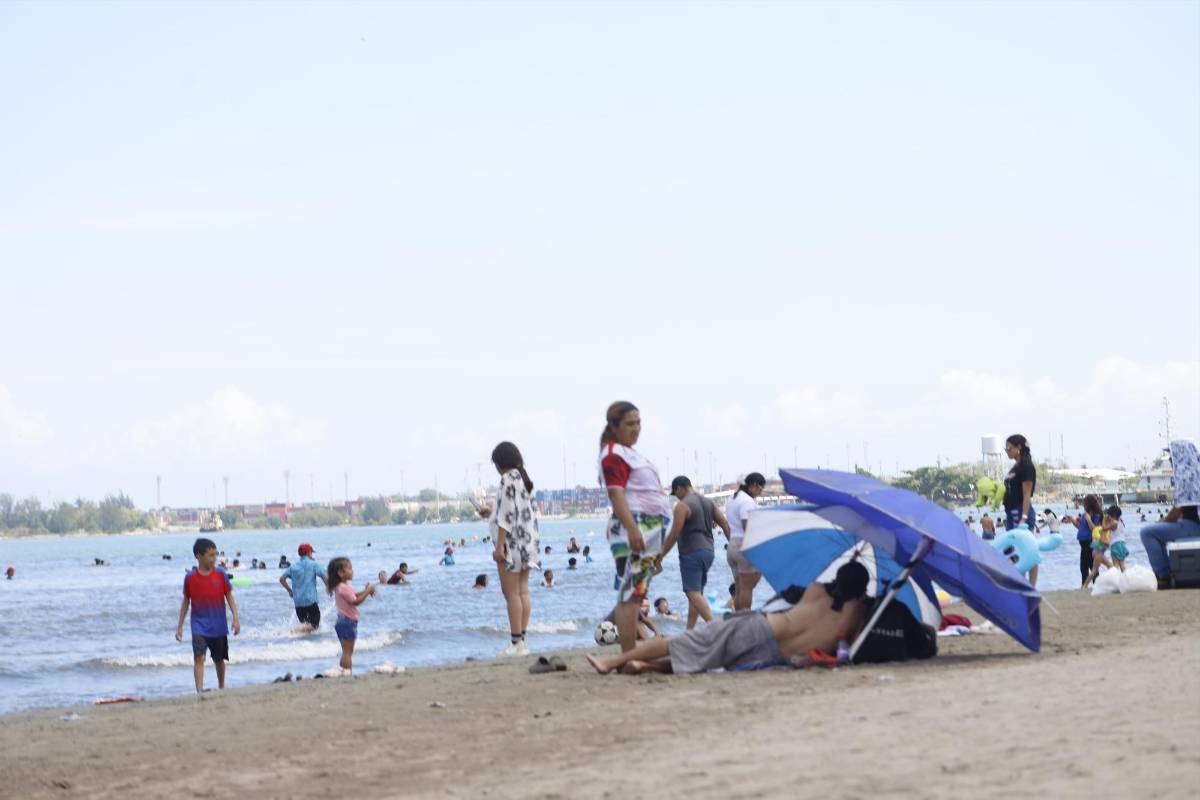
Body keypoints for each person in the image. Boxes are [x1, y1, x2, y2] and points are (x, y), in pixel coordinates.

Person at [586, 561, 870, 675]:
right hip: (777, 655)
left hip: (761, 628)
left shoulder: (819, 590)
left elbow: (809, 592)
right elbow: (846, 643)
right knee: (712, 659)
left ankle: (612, 661)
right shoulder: (855, 615)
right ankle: (644, 666)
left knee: (686, 642)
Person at [598, 401, 672, 653]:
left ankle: (630, 654)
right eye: (630, 423)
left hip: (650, 527)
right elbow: (616, 494)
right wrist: (632, 529)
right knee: (630, 593)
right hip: (635, 525)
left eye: (639, 422)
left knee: (638, 594)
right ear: (614, 426)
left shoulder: (631, 454)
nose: (636, 428)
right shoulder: (612, 454)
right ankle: (628, 655)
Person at [479, 441, 541, 658]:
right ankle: (522, 642)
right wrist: (491, 512)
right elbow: (516, 511)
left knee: (511, 594)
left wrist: (499, 547)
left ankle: (516, 643)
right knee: (523, 591)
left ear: (499, 463)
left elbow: (506, 516)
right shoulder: (523, 479)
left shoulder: (506, 479)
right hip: (528, 543)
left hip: (511, 544)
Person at [661, 475, 731, 629]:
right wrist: (732, 544)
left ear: (679, 488)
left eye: (675, 494)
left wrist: (660, 557)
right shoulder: (708, 502)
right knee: (696, 594)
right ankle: (689, 632)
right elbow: (725, 524)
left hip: (691, 551)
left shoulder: (682, 506)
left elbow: (673, 534)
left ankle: (715, 628)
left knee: (692, 593)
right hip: (708, 551)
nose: (676, 498)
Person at [175, 537, 241, 694]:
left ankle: (221, 687)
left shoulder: (220, 574)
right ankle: (199, 691)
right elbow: (186, 601)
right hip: (198, 625)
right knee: (199, 658)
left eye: (215, 555)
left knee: (219, 659)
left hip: (218, 625)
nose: (214, 558)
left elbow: (229, 596)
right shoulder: (190, 577)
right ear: (199, 556)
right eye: (210, 555)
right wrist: (180, 626)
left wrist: (236, 618)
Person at [1140, 440, 1200, 589]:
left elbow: (1178, 509)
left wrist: (1164, 521)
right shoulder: (1196, 473)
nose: (1170, 460)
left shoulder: (1186, 477)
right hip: (1193, 522)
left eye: (1172, 456)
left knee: (1147, 532)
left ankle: (1163, 575)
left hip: (1193, 525)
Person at [724, 473, 766, 611]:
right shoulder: (747, 501)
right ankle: (745, 619)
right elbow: (747, 526)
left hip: (732, 546)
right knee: (747, 588)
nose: (760, 493)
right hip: (744, 544)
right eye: (760, 489)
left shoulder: (731, 499)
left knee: (740, 587)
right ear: (753, 485)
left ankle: (738, 619)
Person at [326, 557, 375, 674]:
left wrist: (365, 591)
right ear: (341, 573)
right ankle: (348, 673)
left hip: (342, 621)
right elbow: (355, 602)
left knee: (345, 651)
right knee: (348, 652)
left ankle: (343, 671)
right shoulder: (343, 587)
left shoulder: (342, 586)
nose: (352, 571)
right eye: (350, 568)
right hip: (348, 621)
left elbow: (354, 596)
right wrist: (367, 592)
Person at [1003, 434, 1038, 586]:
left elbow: (1026, 494)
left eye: (1009, 448)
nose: (1007, 451)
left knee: (1027, 549)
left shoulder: (1026, 467)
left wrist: (1023, 517)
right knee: (1012, 549)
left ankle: (1031, 586)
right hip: (1010, 512)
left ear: (1019, 448)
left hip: (1021, 512)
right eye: (1006, 448)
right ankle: (1020, 582)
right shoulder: (1015, 467)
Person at [278, 543, 327, 631]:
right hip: (311, 602)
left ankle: (304, 641)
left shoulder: (293, 566)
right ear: (309, 553)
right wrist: (329, 587)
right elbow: (324, 576)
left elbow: (282, 579)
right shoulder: (314, 564)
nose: (312, 554)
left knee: (308, 628)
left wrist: (289, 591)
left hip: (298, 604)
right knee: (314, 625)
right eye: (311, 552)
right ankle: (292, 632)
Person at [1082, 509, 1113, 591]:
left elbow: (1091, 526)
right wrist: (1109, 545)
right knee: (1097, 569)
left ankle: (1085, 586)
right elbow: (1102, 540)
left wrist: (1088, 518)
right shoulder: (1102, 529)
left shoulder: (1096, 528)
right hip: (1099, 552)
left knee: (1106, 568)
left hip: (1095, 552)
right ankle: (1085, 586)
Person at [1075, 495, 1102, 587]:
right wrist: (1072, 521)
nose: (1083, 504)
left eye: (1084, 502)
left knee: (1091, 565)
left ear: (1089, 504)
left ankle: (1097, 584)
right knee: (1083, 567)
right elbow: (1081, 527)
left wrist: (1089, 519)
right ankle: (1084, 585)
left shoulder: (1096, 515)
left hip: (1090, 543)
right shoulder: (1085, 514)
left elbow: (1095, 529)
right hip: (1083, 544)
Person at [1106, 505, 1128, 573]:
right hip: (1123, 544)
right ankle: (1127, 579)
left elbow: (1104, 528)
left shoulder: (1113, 523)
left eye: (1109, 515)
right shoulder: (1121, 521)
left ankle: (1116, 581)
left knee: (1115, 566)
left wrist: (1104, 519)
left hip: (1115, 545)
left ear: (1112, 515)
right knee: (1122, 565)